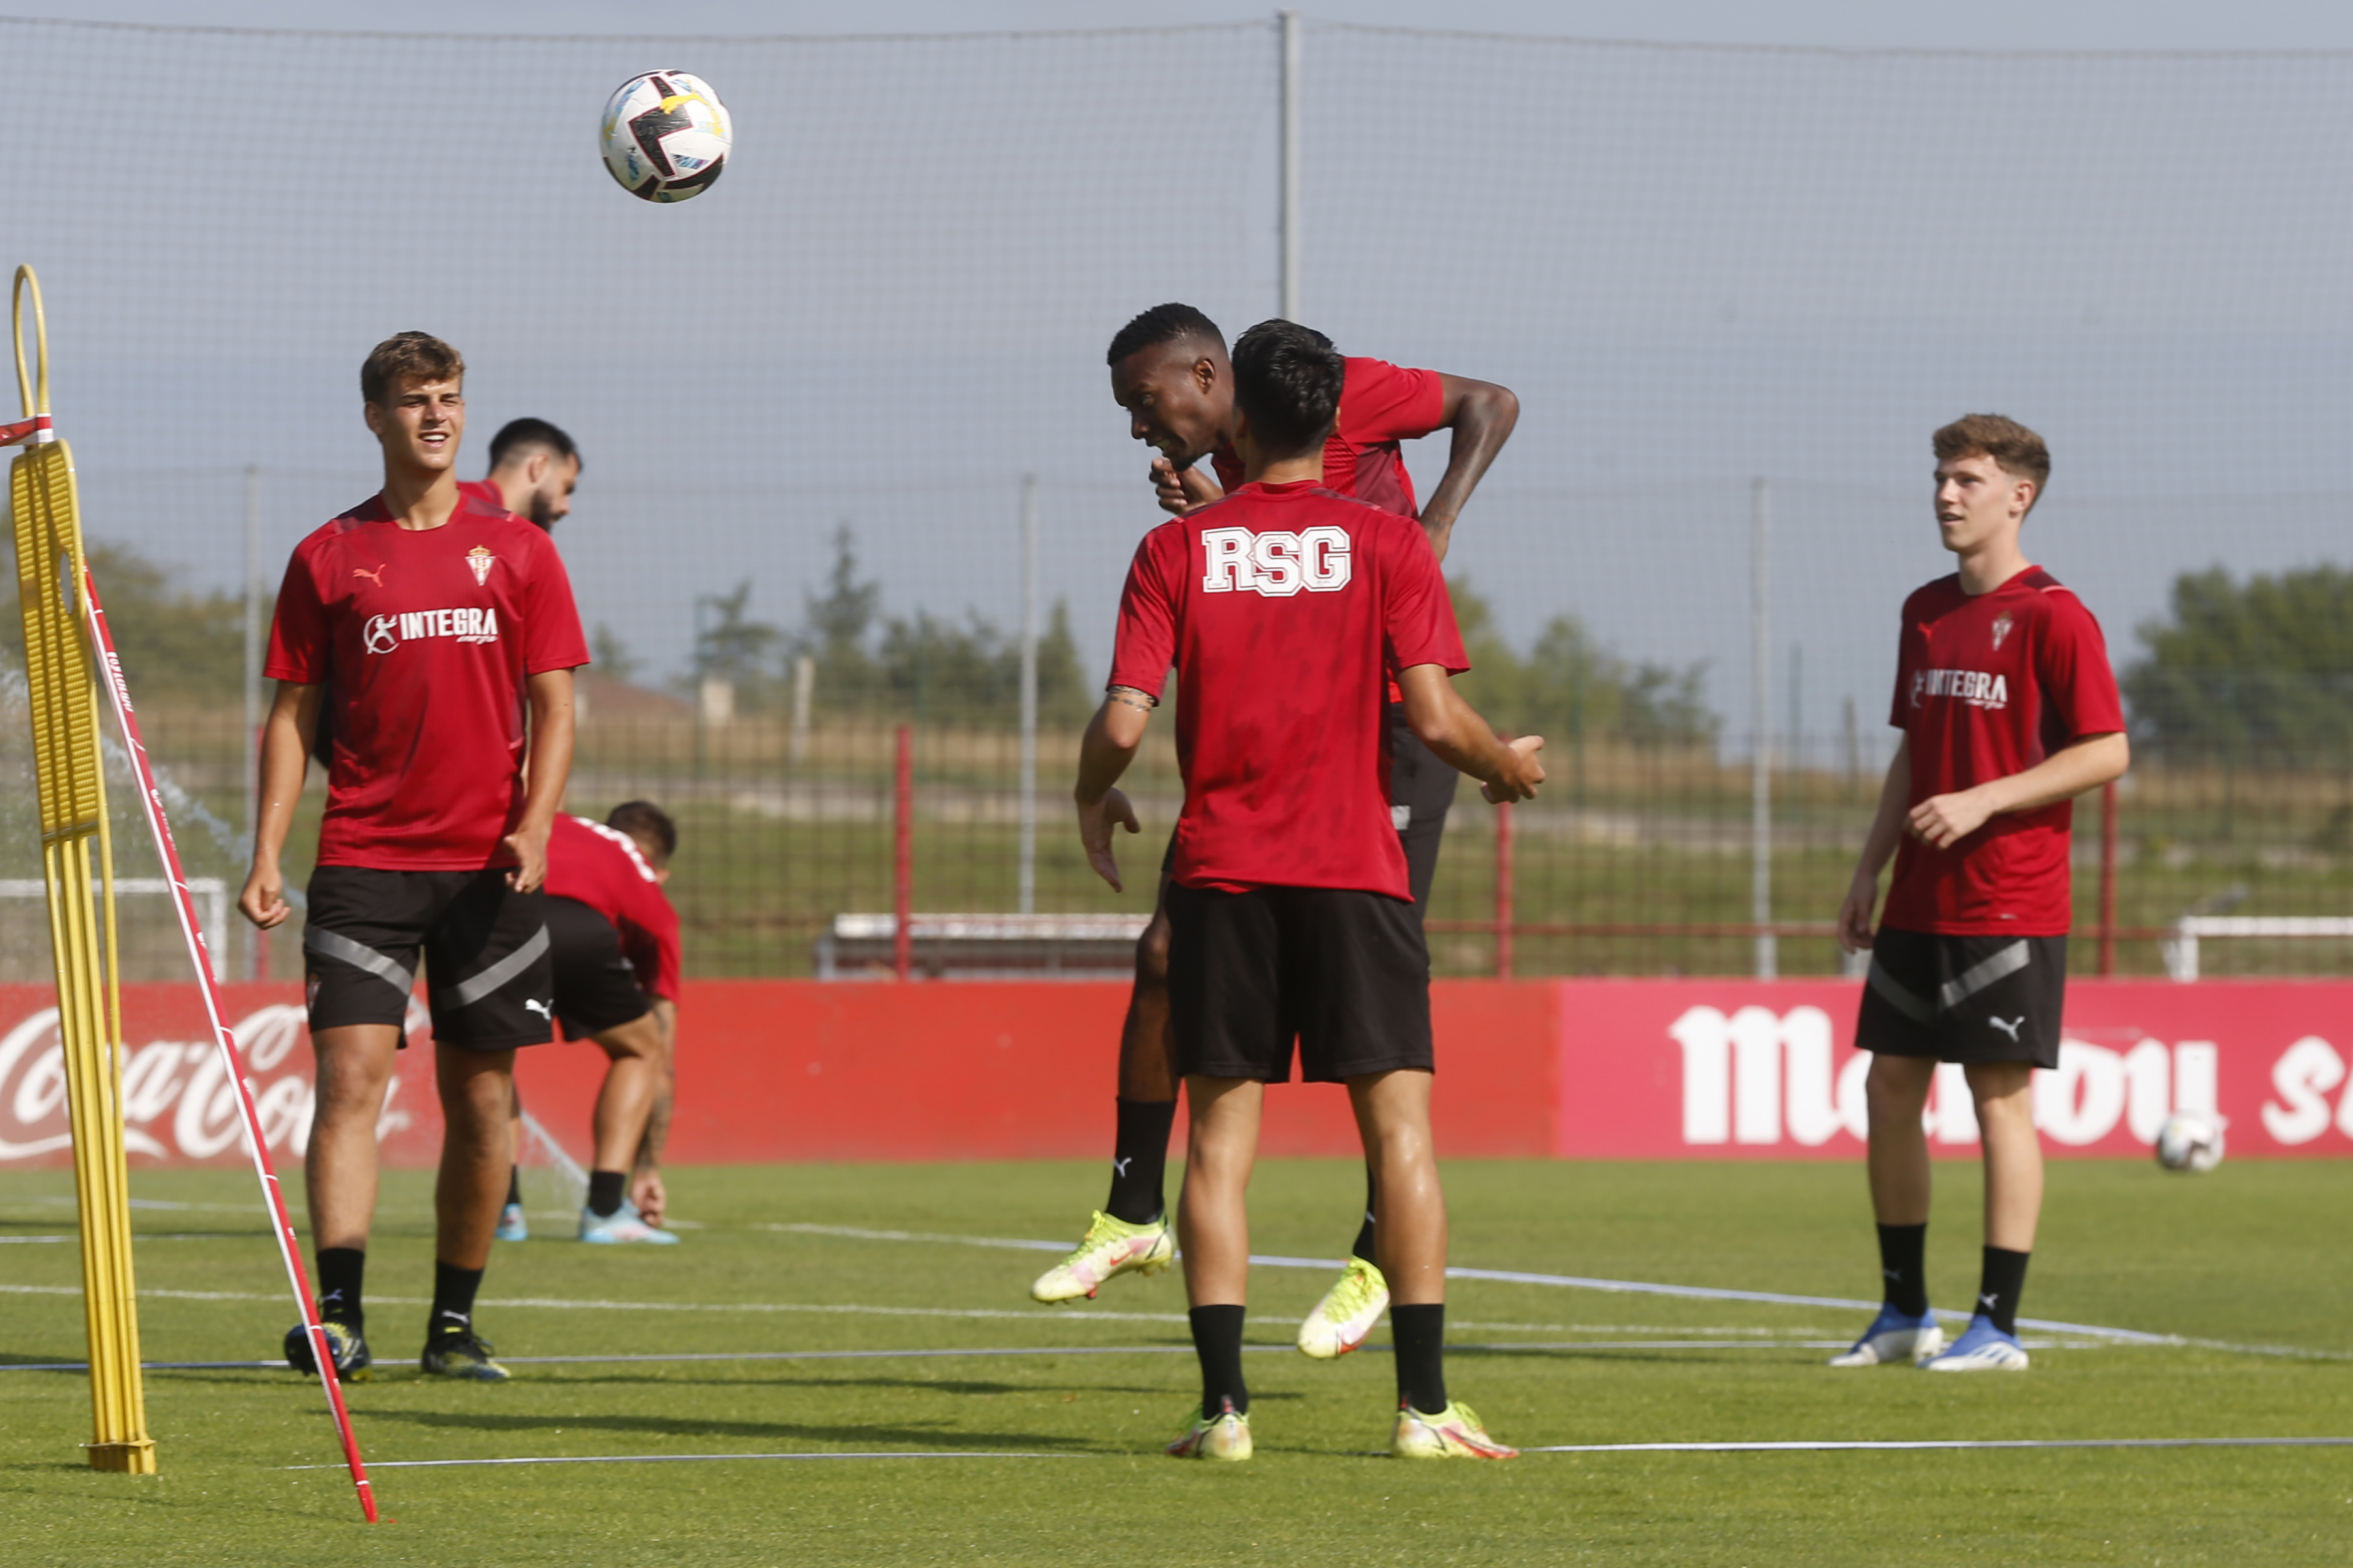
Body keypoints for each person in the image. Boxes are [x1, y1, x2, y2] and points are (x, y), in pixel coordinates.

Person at [1076, 317, 1544, 1460]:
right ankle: (1424, 1412)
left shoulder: (1176, 548)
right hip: (1355, 872)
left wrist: (1090, 795)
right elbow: (1433, 721)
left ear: (1231, 410)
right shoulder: (1386, 549)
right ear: (1338, 422)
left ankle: (1222, 1414)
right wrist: (1504, 768)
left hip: (1222, 874)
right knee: (1400, 1143)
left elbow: (1124, 721)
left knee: (1221, 1147)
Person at [241, 331, 588, 1384]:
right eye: (413, 400)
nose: (435, 415)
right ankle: (338, 1317)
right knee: (348, 1081)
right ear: (373, 417)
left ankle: (453, 1323)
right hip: (364, 861)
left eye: (448, 397)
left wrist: (534, 823)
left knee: (483, 1098)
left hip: (491, 870)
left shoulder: (522, 552)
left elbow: (557, 705)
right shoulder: (328, 555)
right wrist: (267, 852)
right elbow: (291, 717)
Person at [1831, 414, 2127, 1373]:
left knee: (1998, 1102)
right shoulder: (1925, 608)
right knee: (1888, 1089)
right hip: (1918, 897)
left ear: (2018, 496)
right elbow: (1914, 749)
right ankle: (1903, 1313)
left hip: (2009, 902)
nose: (1946, 496)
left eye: (1966, 480)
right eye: (1940, 478)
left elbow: (2107, 749)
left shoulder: (2054, 614)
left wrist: (1985, 799)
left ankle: (1997, 1324)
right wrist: (1869, 867)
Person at [494, 801, 683, 1245]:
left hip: (497, 918)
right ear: (659, 868)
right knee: (642, 1048)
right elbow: (665, 1054)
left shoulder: (560, 824)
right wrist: (647, 1168)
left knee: (488, 1051)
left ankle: (503, 1208)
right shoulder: (639, 871)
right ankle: (603, 1210)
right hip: (575, 924)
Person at [458, 417, 580, 532]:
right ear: (539, 467)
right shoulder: (451, 505)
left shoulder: (527, 543)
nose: (566, 508)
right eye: (566, 489)